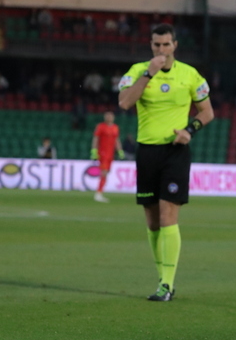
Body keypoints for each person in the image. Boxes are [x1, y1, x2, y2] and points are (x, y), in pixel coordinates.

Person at [117, 22, 213, 302]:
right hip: (146, 152)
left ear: (175, 46)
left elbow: (207, 112)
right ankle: (162, 278)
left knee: (168, 215)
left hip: (175, 152)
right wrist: (149, 73)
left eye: (166, 44)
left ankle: (167, 285)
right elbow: (124, 103)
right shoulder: (138, 71)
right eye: (157, 45)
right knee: (152, 221)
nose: (162, 49)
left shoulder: (190, 74)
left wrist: (189, 131)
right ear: (151, 45)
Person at [91, 111, 124, 203]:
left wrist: (120, 150)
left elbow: (117, 140)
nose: (109, 117)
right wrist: (94, 150)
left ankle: (100, 192)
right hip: (103, 153)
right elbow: (96, 138)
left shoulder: (115, 128)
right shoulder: (100, 126)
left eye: (111, 116)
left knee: (106, 172)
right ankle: (98, 194)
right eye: (107, 116)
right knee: (104, 172)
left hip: (111, 154)